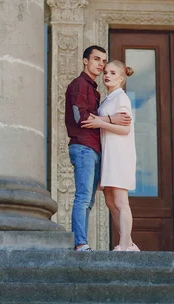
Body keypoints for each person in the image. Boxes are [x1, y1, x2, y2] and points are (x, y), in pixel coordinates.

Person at [65, 46, 132, 251]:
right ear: (85, 61)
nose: (101, 65)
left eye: (103, 61)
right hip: (84, 148)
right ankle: (81, 244)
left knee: (91, 200)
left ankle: (126, 244)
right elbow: (82, 119)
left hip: (96, 150)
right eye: (96, 59)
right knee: (84, 197)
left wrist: (105, 121)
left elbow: (122, 127)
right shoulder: (79, 85)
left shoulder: (97, 92)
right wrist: (111, 119)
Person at [81, 60, 139, 252]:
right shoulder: (108, 99)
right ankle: (128, 243)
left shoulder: (122, 99)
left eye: (113, 73)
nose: (107, 75)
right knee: (110, 201)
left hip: (120, 155)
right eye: (106, 72)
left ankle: (124, 245)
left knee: (121, 202)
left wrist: (101, 123)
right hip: (108, 155)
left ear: (121, 79)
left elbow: (124, 129)